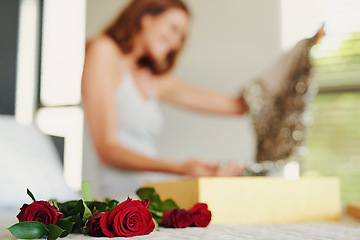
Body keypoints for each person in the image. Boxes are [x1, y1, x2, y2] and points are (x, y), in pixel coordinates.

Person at [81, 0, 325, 198]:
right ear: (146, 17)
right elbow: (108, 150)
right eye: (173, 28)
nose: (176, 42)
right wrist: (181, 168)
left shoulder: (155, 80)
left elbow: (239, 105)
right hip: (118, 197)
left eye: (181, 36)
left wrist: (299, 51)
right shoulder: (102, 51)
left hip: (154, 189)